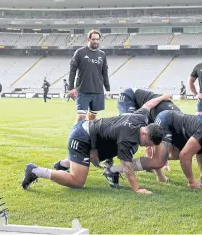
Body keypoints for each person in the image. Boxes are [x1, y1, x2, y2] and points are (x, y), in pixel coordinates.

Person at [21, 95, 171, 194]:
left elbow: (149, 104)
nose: (145, 146)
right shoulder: (128, 138)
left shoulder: (141, 118)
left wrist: (164, 97)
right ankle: (34, 171)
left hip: (90, 135)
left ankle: (62, 165)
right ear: (144, 133)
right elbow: (127, 168)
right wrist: (137, 189)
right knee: (78, 181)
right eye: (146, 143)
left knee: (91, 158)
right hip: (81, 138)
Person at [54, 87, 180, 171]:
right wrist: (163, 97)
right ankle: (109, 162)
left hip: (139, 112)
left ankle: (64, 163)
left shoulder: (163, 123)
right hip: (128, 98)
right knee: (126, 135)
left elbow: (153, 142)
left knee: (125, 139)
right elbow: (148, 105)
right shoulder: (163, 119)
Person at [68, 30, 110, 121]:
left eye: (98, 39)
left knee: (92, 117)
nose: (96, 41)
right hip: (83, 90)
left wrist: (108, 89)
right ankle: (76, 135)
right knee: (81, 117)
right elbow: (72, 70)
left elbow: (104, 72)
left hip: (97, 91)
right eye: (93, 39)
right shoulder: (80, 52)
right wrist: (71, 88)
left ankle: (88, 135)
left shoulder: (102, 55)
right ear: (88, 39)